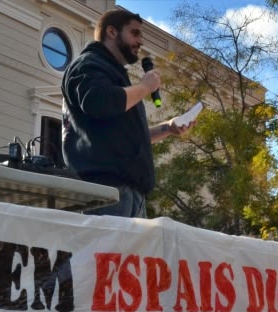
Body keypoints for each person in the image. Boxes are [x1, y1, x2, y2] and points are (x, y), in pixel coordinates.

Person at [61, 10, 194, 218]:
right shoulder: (87, 64)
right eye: (135, 33)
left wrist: (168, 127)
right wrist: (144, 87)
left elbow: (129, 137)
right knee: (107, 251)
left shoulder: (114, 75)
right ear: (112, 32)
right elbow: (100, 101)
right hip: (105, 194)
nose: (140, 41)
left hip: (130, 197)